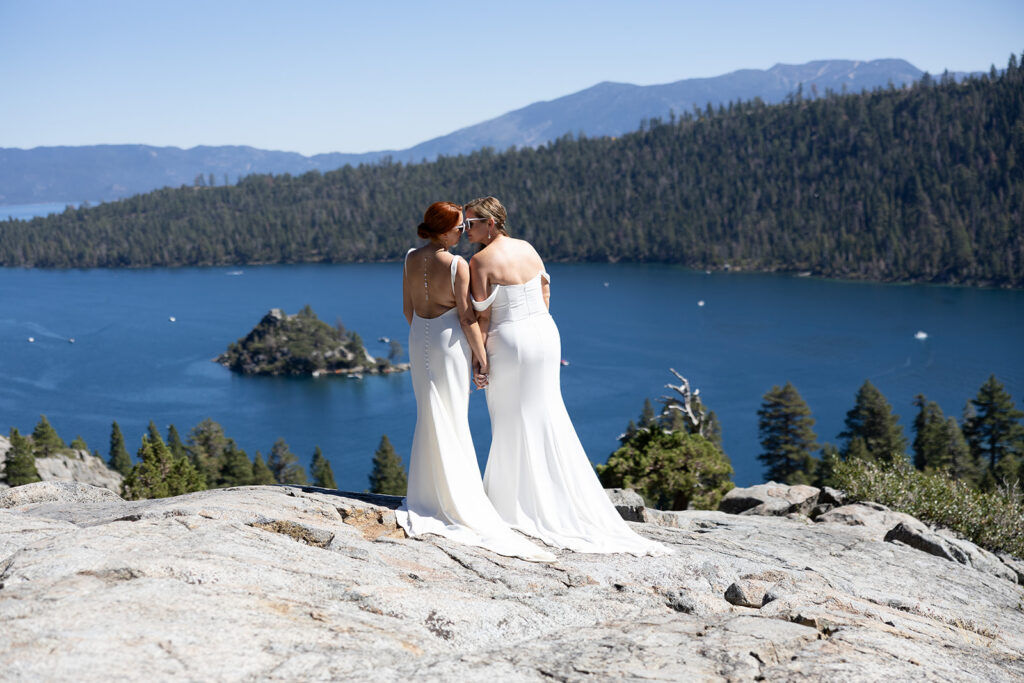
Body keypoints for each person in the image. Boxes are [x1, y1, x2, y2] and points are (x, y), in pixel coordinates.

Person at [465, 196, 670, 556]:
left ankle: (514, 503)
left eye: (471, 223)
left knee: (512, 418)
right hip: (545, 334)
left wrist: (478, 360)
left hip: (510, 340)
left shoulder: (480, 261)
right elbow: (544, 288)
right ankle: (557, 497)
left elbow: (482, 317)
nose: (466, 230)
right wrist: (536, 323)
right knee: (547, 411)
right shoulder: (527, 248)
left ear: (491, 223)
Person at [395, 201, 555, 563]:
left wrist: (422, 335)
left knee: (430, 413)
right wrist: (481, 358)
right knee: (454, 416)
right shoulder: (457, 265)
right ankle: (460, 498)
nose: (461, 232)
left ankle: (427, 495)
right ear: (443, 230)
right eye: (457, 227)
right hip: (449, 343)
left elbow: (408, 309)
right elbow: (468, 318)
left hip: (418, 336)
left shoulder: (409, 257)